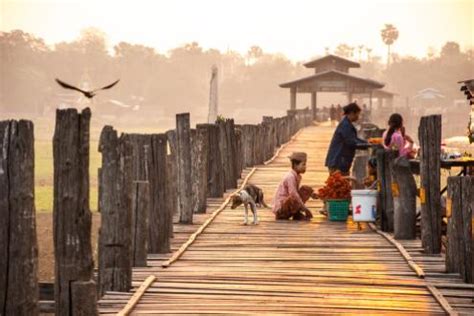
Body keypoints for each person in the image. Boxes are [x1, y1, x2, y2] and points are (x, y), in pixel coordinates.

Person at [325, 102, 370, 176]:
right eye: (357, 114)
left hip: (341, 161)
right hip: (338, 161)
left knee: (342, 184)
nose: (358, 117)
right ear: (352, 113)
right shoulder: (345, 125)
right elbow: (351, 142)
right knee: (338, 184)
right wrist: (367, 145)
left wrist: (367, 143)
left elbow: (354, 139)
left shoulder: (347, 124)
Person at [272, 152, 317, 220]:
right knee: (294, 196)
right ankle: (295, 214)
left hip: (287, 206)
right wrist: (304, 208)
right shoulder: (290, 177)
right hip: (281, 210)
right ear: (295, 165)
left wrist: (311, 194)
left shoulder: (297, 176)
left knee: (305, 189)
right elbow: (293, 194)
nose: (305, 167)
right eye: (303, 165)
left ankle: (296, 213)